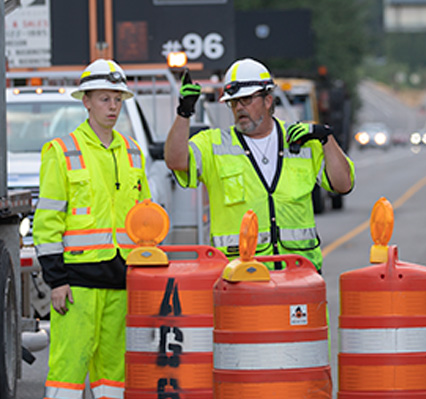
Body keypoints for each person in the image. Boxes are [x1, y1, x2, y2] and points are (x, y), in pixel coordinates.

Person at [165, 58, 355, 272]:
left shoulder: (300, 140)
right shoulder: (213, 144)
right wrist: (184, 113)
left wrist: (326, 138)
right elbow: (175, 161)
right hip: (240, 277)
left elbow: (343, 184)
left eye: (246, 100)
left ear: (267, 100)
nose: (239, 108)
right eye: (233, 102)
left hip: (300, 274)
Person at [33, 59, 151, 399]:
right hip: (77, 283)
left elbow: (144, 220)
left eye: (117, 99)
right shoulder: (62, 151)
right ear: (86, 101)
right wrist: (56, 280)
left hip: (121, 279)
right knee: (68, 371)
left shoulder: (132, 151)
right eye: (104, 99)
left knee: (114, 375)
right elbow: (48, 222)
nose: (113, 107)